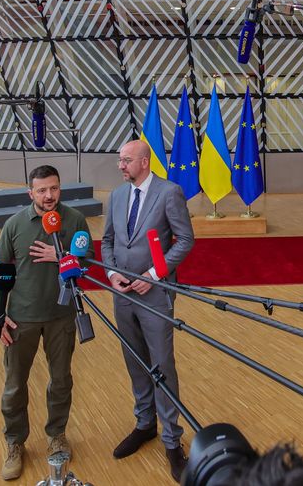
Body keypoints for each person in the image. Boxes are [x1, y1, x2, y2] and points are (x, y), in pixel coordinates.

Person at [102, 139, 196, 482]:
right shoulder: (116, 196)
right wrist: (112, 274)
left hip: (155, 296)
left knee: (162, 366)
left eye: (125, 159)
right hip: (122, 296)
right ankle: (145, 424)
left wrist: (154, 276)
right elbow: (109, 241)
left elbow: (185, 240)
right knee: (135, 361)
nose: (120, 165)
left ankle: (172, 441)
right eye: (119, 159)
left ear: (144, 161)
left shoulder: (169, 192)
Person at [0, 165, 93, 481]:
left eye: (54, 188)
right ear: (30, 193)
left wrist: (60, 256)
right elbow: (1, 273)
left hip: (61, 316)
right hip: (20, 318)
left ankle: (57, 435)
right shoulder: (14, 225)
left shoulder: (75, 220)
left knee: (61, 380)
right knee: (14, 386)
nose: (49, 195)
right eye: (41, 190)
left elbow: (88, 261)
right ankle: (14, 443)